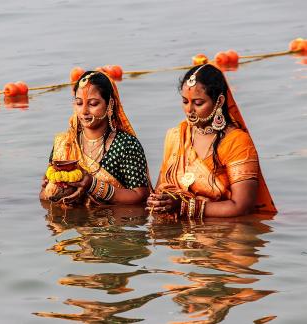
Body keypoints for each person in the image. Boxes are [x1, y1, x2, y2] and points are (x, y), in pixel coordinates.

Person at [147, 64, 276, 218]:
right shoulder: (176, 136)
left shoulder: (237, 141)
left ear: (219, 101)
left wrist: (185, 207)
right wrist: (158, 202)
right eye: (185, 101)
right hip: (178, 232)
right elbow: (161, 189)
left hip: (223, 234)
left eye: (198, 103)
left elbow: (241, 206)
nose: (189, 109)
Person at [40, 71, 151, 205]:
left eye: (93, 104)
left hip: (113, 223)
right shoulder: (65, 144)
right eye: (79, 103)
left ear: (109, 104)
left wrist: (93, 185)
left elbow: (141, 196)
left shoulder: (126, 144)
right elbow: (43, 197)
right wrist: (51, 189)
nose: (84, 111)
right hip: (74, 224)